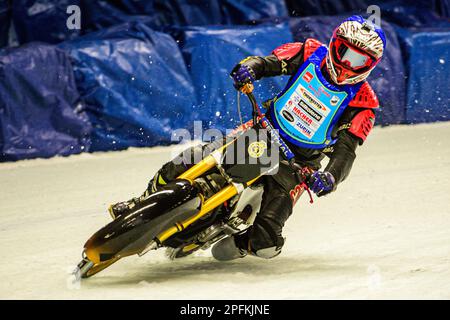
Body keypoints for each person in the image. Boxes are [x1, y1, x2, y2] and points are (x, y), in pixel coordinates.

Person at [109, 15, 386, 261]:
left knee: (267, 242)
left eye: (359, 60)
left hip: (298, 165)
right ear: (335, 44)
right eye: (345, 53)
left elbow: (347, 151)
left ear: (370, 65)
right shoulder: (310, 52)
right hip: (263, 132)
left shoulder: (364, 102)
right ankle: (141, 200)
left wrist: (330, 178)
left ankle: (242, 241)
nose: (349, 64)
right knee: (192, 158)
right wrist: (248, 69)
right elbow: (269, 63)